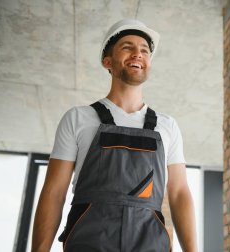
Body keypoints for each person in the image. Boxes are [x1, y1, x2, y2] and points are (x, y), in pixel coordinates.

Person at [32, 19, 197, 252]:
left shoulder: (167, 126)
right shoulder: (78, 118)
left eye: (144, 50)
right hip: (88, 241)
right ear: (107, 61)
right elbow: (54, 191)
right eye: (127, 47)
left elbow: (179, 193)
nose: (138, 54)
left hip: (150, 242)